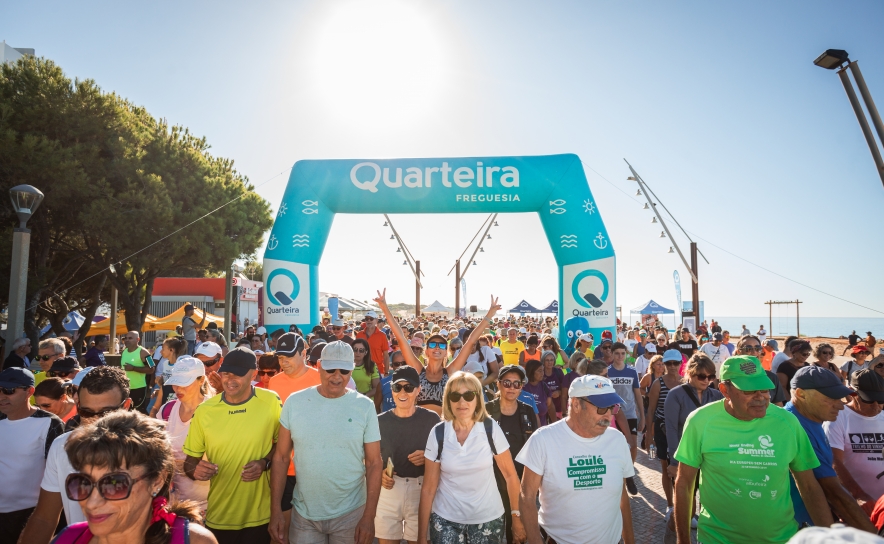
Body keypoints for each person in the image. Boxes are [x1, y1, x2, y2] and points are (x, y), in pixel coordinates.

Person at [672, 355, 833, 544]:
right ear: (725, 390)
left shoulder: (787, 422)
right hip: (717, 539)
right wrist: (683, 540)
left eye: (764, 389)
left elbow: (809, 486)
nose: (761, 397)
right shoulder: (701, 421)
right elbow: (684, 483)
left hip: (781, 539)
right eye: (749, 390)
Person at [269, 340, 381, 544]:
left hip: (351, 514)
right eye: (330, 369)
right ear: (319, 366)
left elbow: (375, 463)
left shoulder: (364, 407)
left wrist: (369, 517)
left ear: (353, 369)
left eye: (345, 371)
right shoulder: (294, 402)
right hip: (304, 515)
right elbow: (281, 457)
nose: (337, 376)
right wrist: (275, 509)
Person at [53, 410, 216, 544]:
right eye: (82, 483)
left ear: (157, 480)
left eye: (114, 485)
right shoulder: (66, 539)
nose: (92, 502)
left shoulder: (195, 541)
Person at [19, 366, 132, 544]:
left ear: (126, 406)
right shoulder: (61, 446)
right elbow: (44, 518)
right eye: (87, 412)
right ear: (78, 406)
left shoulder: (148, 449)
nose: (97, 422)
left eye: (107, 413)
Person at [517, 375, 635, 544]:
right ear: (577, 405)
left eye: (612, 407)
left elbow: (621, 495)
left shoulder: (617, 440)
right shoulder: (543, 439)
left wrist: (630, 541)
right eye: (602, 408)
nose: (609, 416)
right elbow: (526, 496)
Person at [183, 347, 281, 544]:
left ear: (253, 374)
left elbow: (283, 447)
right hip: (219, 516)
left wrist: (264, 463)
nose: (229, 379)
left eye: (238, 374)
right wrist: (196, 470)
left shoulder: (271, 401)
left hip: (259, 517)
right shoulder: (205, 411)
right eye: (226, 373)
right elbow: (190, 462)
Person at [418, 372, 524, 544]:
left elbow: (511, 476)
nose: (462, 402)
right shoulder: (438, 432)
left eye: (468, 395)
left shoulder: (490, 428)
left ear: (478, 399)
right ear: (448, 400)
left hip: (488, 518)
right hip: (445, 519)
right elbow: (428, 488)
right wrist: (421, 536)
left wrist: (516, 516)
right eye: (455, 396)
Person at [376, 290, 499, 416]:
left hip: (443, 430)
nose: (437, 348)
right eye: (433, 344)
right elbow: (401, 338)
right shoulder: (418, 371)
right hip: (420, 428)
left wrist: (489, 314)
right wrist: (385, 308)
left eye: (441, 345)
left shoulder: (450, 372)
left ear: (446, 352)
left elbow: (471, 341)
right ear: (426, 351)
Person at [784, 366, 876, 531]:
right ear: (801, 394)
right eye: (832, 398)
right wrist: (873, 536)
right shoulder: (795, 425)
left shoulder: (813, 420)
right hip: (793, 529)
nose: (840, 406)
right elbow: (833, 492)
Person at [374, 366, 440, 544]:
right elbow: (369, 458)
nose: (402, 392)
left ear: (418, 390)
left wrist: (427, 459)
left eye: (408, 387)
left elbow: (445, 457)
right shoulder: (379, 421)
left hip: (421, 489)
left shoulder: (432, 419)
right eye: (397, 387)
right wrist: (379, 474)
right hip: (388, 490)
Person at [0, 367, 65, 543]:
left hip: (29, 515)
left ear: (30, 391)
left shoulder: (50, 423)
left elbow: (59, 476)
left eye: (9, 390)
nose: (1, 396)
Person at [266, 333, 321, 538]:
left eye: (289, 356)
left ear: (304, 353)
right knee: (282, 532)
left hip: (313, 467)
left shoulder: (319, 378)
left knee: (314, 530)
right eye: (280, 357)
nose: (283, 362)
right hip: (284, 467)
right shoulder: (274, 382)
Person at [663, 354, 723, 529]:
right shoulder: (675, 395)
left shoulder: (716, 395)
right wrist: (674, 461)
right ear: (690, 373)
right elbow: (672, 429)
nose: (707, 380)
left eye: (711, 376)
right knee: (686, 498)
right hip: (686, 455)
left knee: (710, 496)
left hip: (710, 455)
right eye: (702, 376)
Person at [825, 369, 884, 516]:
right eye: (869, 400)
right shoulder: (837, 418)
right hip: (858, 505)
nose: (876, 406)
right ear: (852, 393)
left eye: (881, 400)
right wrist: (857, 494)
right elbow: (834, 461)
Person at [645, 349, 684, 521]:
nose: (673, 366)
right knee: (665, 468)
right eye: (669, 363)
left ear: (680, 364)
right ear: (664, 364)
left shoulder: (686, 383)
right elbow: (651, 410)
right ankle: (670, 506)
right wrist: (649, 435)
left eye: (676, 363)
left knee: (684, 470)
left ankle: (684, 506)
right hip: (662, 431)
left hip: (683, 432)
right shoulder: (658, 384)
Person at [608, 342, 644, 469]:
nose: (620, 356)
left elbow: (638, 394)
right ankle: (619, 472)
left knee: (633, 445)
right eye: (617, 353)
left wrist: (642, 417)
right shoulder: (607, 372)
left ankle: (629, 472)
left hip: (630, 413)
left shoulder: (632, 371)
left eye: (622, 353)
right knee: (617, 446)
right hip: (613, 415)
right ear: (612, 354)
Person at [736, 335, 788, 407]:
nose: (754, 352)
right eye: (748, 349)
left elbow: (779, 406)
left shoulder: (771, 377)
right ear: (739, 352)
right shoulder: (732, 377)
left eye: (757, 348)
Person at [149, 336, 188, 417]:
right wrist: (159, 386)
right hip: (165, 397)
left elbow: (152, 365)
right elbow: (165, 383)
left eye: (163, 349)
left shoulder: (181, 365)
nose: (160, 352)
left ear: (171, 350)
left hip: (176, 400)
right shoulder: (165, 363)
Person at [120, 331, 155, 413]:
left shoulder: (144, 352)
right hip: (125, 388)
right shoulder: (124, 352)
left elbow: (152, 368)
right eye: (126, 338)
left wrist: (133, 368)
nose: (127, 340)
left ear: (138, 339)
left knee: (138, 413)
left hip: (138, 388)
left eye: (130, 338)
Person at [357, 310, 391, 375]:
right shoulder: (359, 335)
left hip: (378, 370)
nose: (368, 321)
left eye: (371, 319)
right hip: (361, 370)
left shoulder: (382, 335)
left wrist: (386, 372)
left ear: (376, 320)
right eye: (367, 319)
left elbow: (386, 356)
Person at [523, 360, 556, 426]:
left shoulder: (544, 387)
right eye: (539, 371)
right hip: (524, 430)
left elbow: (550, 407)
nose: (542, 373)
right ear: (531, 372)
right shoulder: (522, 387)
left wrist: (555, 424)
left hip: (542, 429)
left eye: (543, 370)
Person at [540, 350, 565, 419]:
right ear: (543, 361)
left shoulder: (558, 372)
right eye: (547, 360)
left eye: (551, 360)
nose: (549, 362)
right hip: (543, 408)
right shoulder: (540, 373)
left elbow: (565, 388)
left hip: (558, 407)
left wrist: (559, 392)